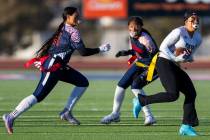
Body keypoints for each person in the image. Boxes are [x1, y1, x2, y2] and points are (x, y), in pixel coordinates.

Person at [2, 6, 111, 134]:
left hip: (59, 65)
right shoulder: (73, 32)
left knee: (82, 82)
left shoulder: (64, 27)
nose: (78, 18)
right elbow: (83, 52)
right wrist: (100, 49)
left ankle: (66, 112)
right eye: (76, 16)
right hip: (54, 66)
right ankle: (11, 116)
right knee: (38, 95)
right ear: (68, 17)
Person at [136, 11, 202, 136]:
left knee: (191, 93)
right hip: (163, 61)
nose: (195, 22)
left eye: (197, 19)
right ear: (185, 21)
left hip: (173, 64)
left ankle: (186, 126)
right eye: (192, 20)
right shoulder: (178, 32)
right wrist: (176, 58)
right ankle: (142, 100)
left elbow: (189, 54)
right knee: (173, 94)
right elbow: (163, 47)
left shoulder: (198, 38)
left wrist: (188, 58)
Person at [100, 17, 159, 125]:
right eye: (131, 26)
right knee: (121, 85)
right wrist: (127, 52)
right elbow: (138, 52)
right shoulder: (132, 35)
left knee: (135, 86)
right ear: (128, 27)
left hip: (153, 66)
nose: (133, 29)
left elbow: (156, 55)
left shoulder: (145, 39)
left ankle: (149, 116)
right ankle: (115, 114)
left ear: (141, 27)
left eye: (136, 26)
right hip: (140, 62)